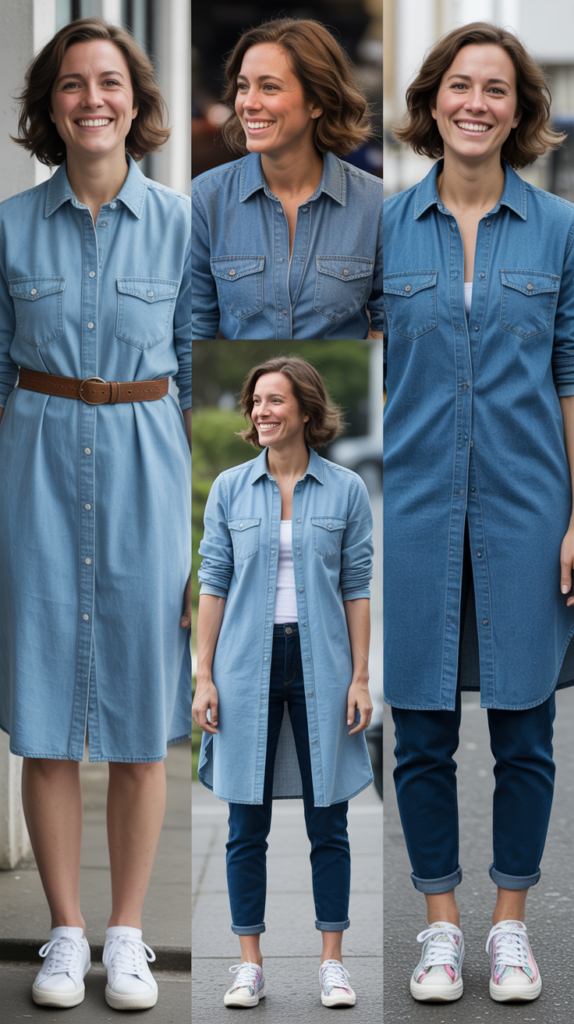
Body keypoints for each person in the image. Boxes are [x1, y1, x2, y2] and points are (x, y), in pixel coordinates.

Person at [0, 18, 191, 1011]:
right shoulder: (7, 225)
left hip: (143, 472)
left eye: (108, 81)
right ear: (49, 105)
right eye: (70, 84)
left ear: (134, 99)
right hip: (33, 467)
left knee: (138, 716)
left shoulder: (182, 224)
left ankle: (128, 933)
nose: (91, 100)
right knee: (42, 716)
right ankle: (65, 934)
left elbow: (200, 372)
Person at [384, 20, 574, 1004]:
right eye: (460, 85)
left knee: (522, 731)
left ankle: (506, 927)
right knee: (416, 729)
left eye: (495, 89)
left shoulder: (559, 229)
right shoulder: (380, 227)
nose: (475, 104)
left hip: (527, 506)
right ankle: (438, 928)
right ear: (432, 101)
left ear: (519, 111)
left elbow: (572, 374)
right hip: (412, 511)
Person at [192, 356, 374, 1008]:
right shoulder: (230, 490)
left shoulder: (348, 490)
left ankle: (332, 962)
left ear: (305, 409)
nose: (261, 412)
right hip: (246, 665)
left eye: (274, 400)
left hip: (322, 665)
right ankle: (249, 963)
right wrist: (203, 675)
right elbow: (214, 584)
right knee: (246, 821)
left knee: (330, 821)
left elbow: (356, 589)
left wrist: (360, 677)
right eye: (255, 402)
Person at [191, 18, 383, 340]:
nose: (249, 103)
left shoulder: (376, 205)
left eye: (269, 87)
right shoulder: (205, 199)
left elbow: (387, 327)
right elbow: (196, 328)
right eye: (243, 86)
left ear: (317, 101)